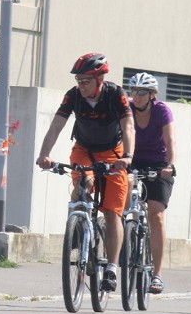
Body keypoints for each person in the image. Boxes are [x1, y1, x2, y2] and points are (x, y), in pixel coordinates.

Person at [37, 53, 135, 292]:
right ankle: (79, 227)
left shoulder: (116, 95)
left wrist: (128, 157)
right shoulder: (73, 96)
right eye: (79, 80)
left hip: (114, 153)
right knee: (83, 186)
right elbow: (57, 124)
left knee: (113, 212)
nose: (80, 86)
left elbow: (128, 126)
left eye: (85, 81)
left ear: (100, 79)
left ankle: (111, 267)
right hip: (84, 150)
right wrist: (44, 154)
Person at [126, 72, 177, 294]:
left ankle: (156, 274)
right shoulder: (126, 109)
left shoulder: (162, 110)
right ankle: (123, 237)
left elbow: (170, 140)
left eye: (142, 92)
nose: (136, 96)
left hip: (158, 166)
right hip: (132, 162)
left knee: (156, 215)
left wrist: (170, 165)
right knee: (121, 202)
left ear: (152, 94)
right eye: (134, 91)